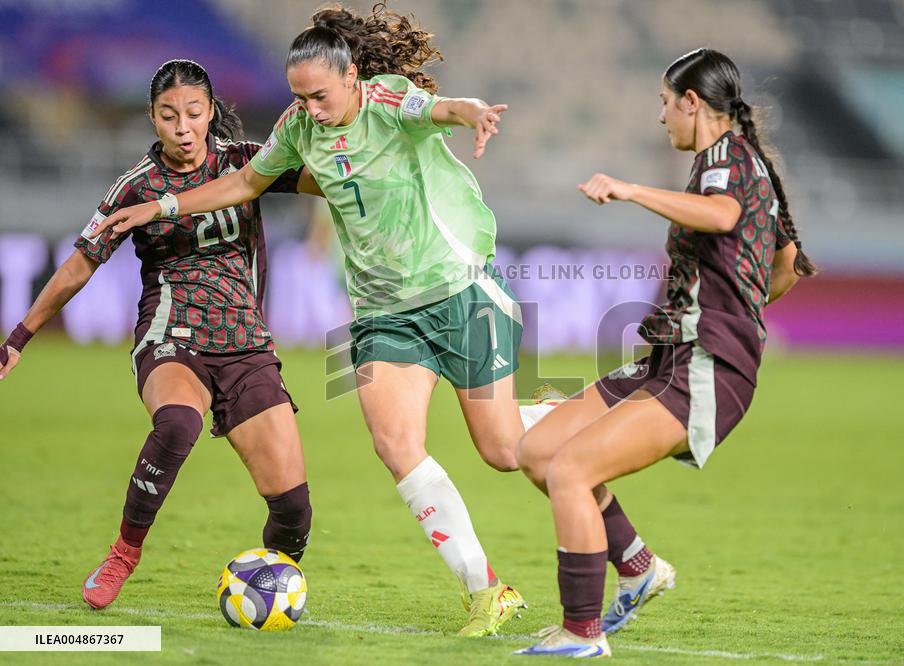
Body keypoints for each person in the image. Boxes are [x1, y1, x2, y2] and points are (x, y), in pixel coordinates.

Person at [91, 3, 556, 637]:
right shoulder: (298, 127)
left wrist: (471, 110)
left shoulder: (390, 99)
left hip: (457, 291)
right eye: (298, 97)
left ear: (354, 78)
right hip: (382, 312)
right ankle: (487, 591)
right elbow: (244, 185)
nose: (309, 109)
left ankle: (566, 413)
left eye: (319, 95)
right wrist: (165, 206)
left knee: (503, 450)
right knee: (395, 445)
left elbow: (439, 109)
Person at [513, 48, 817, 658]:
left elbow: (722, 215)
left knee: (572, 471)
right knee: (540, 450)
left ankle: (581, 634)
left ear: (692, 102)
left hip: (706, 366)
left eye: (664, 102)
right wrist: (744, 304)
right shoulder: (737, 162)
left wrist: (629, 190)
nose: (661, 117)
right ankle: (638, 567)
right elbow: (786, 265)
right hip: (671, 355)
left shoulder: (726, 162)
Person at [0, 59, 321, 611]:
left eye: (194, 113)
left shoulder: (247, 164)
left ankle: (267, 593)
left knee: (293, 514)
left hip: (246, 345)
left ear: (211, 113)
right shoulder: (135, 187)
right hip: (172, 334)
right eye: (169, 115)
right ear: (153, 117)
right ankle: (124, 553)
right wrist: (20, 336)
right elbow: (80, 264)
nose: (183, 126)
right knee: (176, 423)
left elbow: (327, 181)